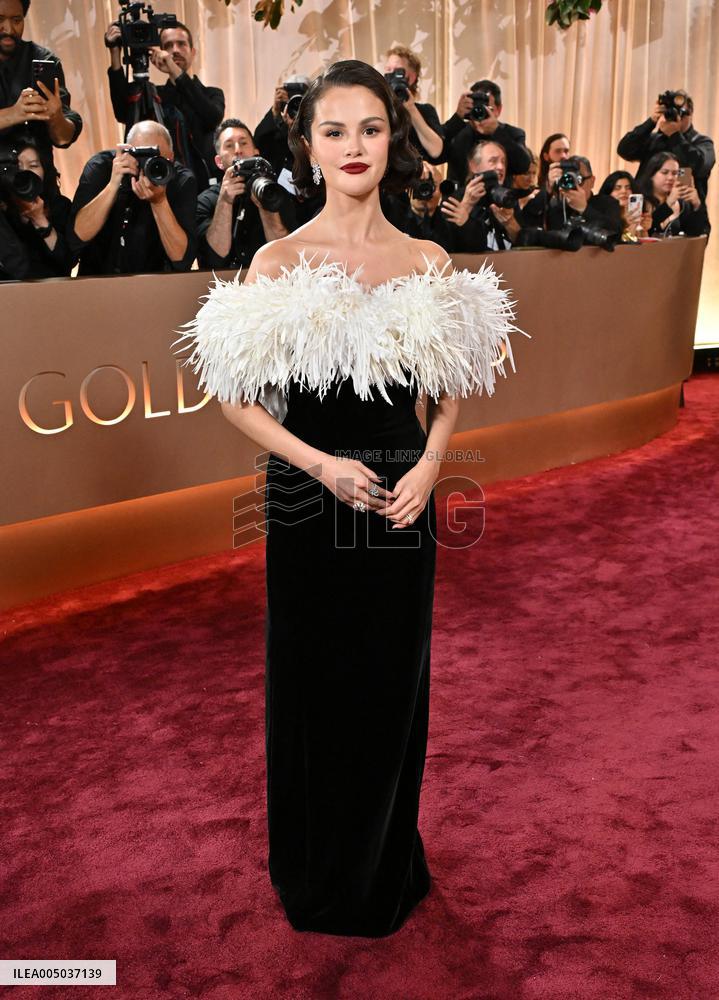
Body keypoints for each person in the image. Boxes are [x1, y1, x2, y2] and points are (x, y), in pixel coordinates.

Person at [174, 58, 524, 938]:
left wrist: (433, 464)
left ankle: (382, 863)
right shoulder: (277, 261)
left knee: (390, 683)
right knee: (311, 682)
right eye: (334, 130)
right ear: (309, 147)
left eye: (370, 128)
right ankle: (317, 871)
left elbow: (449, 389)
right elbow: (235, 399)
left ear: (392, 139)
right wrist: (320, 465)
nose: (354, 145)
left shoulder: (429, 257)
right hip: (309, 500)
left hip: (404, 501)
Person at [104, 19, 224, 192]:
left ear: (193, 51)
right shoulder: (154, 95)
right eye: (168, 46)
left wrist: (173, 70)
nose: (174, 50)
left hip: (204, 185)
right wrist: (115, 53)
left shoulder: (212, 93)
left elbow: (211, 117)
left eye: (181, 44)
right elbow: (123, 113)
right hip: (162, 183)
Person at [68, 120, 197, 275]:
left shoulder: (180, 180)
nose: (149, 165)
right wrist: (113, 184)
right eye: (142, 156)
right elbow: (76, 238)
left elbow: (182, 260)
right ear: (126, 152)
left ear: (172, 156)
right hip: (98, 280)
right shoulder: (102, 167)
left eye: (158, 158)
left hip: (154, 284)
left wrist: (159, 202)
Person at [0, 0, 82, 187]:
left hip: (39, 188)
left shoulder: (44, 60)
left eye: (16, 20)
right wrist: (14, 114)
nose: (9, 29)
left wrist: (55, 117)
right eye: (0, 19)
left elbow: (64, 138)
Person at [197, 118, 296, 270]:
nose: (238, 150)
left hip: (269, 283)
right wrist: (225, 202)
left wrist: (266, 205)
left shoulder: (276, 193)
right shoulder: (205, 201)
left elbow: (286, 258)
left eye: (243, 143)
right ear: (219, 162)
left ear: (256, 152)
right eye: (229, 145)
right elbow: (214, 259)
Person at [617, 91, 715, 205]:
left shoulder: (702, 142)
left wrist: (675, 136)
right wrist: (651, 121)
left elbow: (698, 166)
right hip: (644, 209)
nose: (676, 117)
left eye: (681, 113)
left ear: (691, 114)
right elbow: (624, 150)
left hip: (682, 215)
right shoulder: (654, 139)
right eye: (670, 112)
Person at [0, 134, 74, 277]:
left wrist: (39, 219)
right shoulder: (3, 210)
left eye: (33, 165)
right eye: (17, 166)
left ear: (45, 170)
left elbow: (66, 262)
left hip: (51, 291)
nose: (25, 172)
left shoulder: (59, 205)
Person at [440, 79, 531, 185]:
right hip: (460, 198)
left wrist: (496, 131)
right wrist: (457, 118)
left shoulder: (513, 133)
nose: (480, 112)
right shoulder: (457, 131)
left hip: (498, 198)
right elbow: (436, 155)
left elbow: (522, 166)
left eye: (487, 108)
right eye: (476, 108)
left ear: (499, 109)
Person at [440, 139, 522, 251]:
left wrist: (510, 222)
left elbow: (523, 243)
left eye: (503, 162)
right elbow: (445, 243)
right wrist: (466, 205)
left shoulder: (508, 197)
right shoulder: (454, 198)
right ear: (473, 166)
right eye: (493, 161)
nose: (501, 167)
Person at [383, 44, 444, 162]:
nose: (391, 75)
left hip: (418, 177)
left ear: (411, 77)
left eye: (397, 71)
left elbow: (436, 150)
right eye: (388, 70)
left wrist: (411, 109)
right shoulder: (378, 109)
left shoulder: (426, 111)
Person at [637, 150, 710, 238]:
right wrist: (668, 203)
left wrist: (696, 205)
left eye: (675, 173)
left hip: (676, 251)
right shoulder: (639, 201)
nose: (670, 177)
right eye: (664, 172)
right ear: (651, 174)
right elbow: (642, 232)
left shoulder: (682, 203)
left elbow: (695, 233)